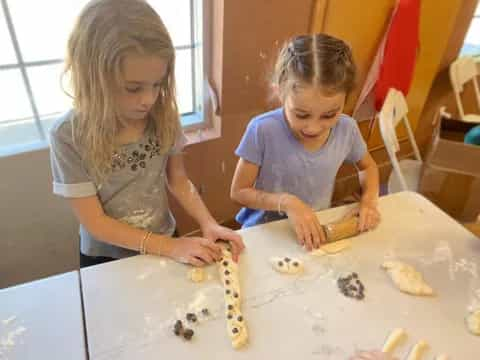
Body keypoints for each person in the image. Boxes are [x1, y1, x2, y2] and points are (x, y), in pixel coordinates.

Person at [49, 0, 244, 267]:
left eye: (157, 84)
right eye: (133, 88)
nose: (149, 99)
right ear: (93, 78)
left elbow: (178, 180)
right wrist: (170, 247)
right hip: (107, 256)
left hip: (165, 237)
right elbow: (95, 222)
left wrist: (207, 222)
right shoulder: (67, 135)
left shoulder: (163, 115)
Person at [230, 33, 380, 251]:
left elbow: (369, 167)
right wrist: (288, 202)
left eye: (329, 115)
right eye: (301, 115)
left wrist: (369, 201)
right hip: (264, 234)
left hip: (312, 233)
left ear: (346, 99)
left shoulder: (347, 129)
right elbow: (239, 191)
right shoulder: (262, 130)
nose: (313, 127)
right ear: (280, 93)